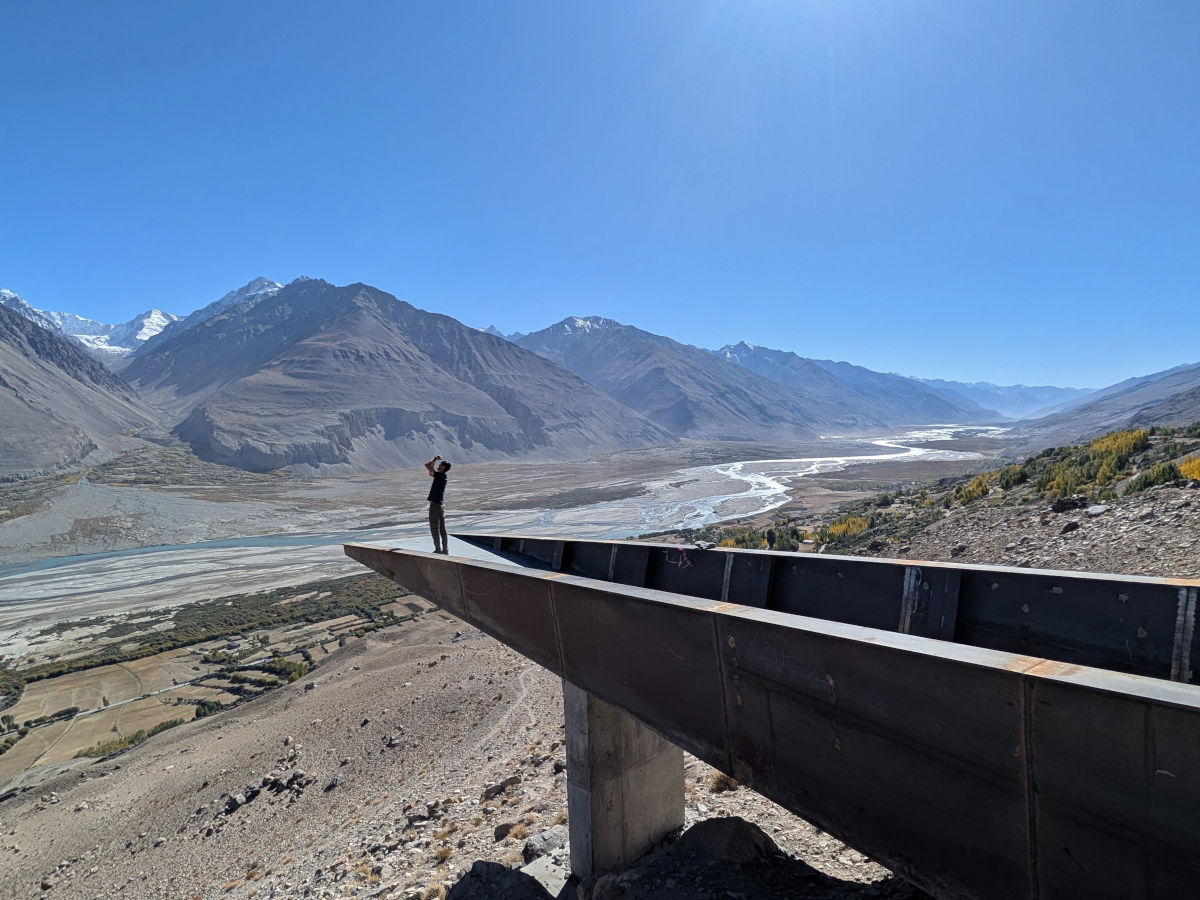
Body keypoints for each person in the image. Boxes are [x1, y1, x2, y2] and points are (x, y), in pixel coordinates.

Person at [424, 454, 451, 554]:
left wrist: (435, 458)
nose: (438, 466)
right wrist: (434, 463)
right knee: (442, 529)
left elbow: (427, 465)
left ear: (444, 467)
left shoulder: (439, 476)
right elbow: (431, 470)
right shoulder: (443, 476)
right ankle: (445, 549)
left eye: (441, 464)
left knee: (434, 528)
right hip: (441, 505)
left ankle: (438, 549)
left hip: (435, 505)